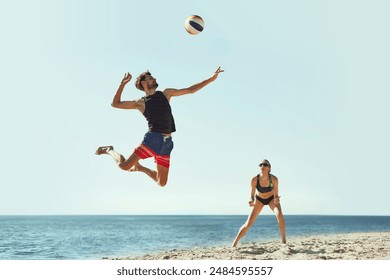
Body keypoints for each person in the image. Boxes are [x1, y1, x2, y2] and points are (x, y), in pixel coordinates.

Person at [96, 67, 224, 187]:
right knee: (124, 166)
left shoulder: (166, 93)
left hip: (167, 142)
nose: (154, 79)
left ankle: (140, 168)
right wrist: (122, 84)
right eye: (150, 78)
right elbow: (115, 104)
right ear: (144, 83)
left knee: (161, 182)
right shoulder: (140, 102)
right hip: (153, 139)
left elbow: (190, 90)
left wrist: (211, 79)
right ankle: (109, 149)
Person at [232, 159, 286, 247]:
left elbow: (276, 195)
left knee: (279, 214)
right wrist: (251, 201)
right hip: (259, 199)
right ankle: (234, 244)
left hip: (271, 198)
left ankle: (284, 241)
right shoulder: (254, 180)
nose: (262, 166)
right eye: (260, 165)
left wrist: (276, 199)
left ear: (269, 168)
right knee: (248, 223)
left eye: (265, 165)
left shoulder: (274, 179)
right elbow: (251, 195)